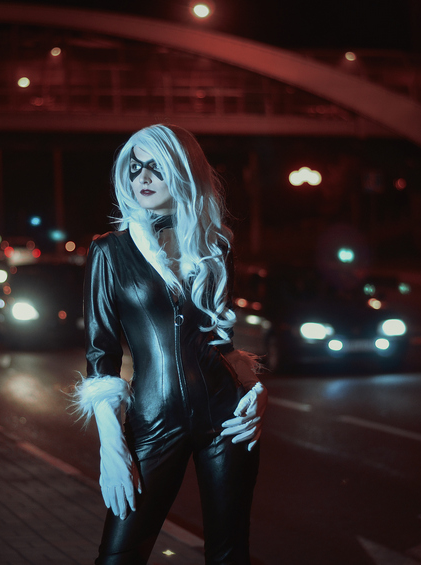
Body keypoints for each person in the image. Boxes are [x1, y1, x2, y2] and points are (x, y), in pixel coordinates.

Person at [73, 124, 267, 565]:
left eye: (156, 167)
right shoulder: (110, 252)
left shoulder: (214, 247)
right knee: (118, 556)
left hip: (227, 420)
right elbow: (101, 357)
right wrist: (111, 447)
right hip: (153, 423)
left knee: (230, 555)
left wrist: (257, 392)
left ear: (183, 172)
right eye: (136, 167)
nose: (143, 177)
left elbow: (223, 343)